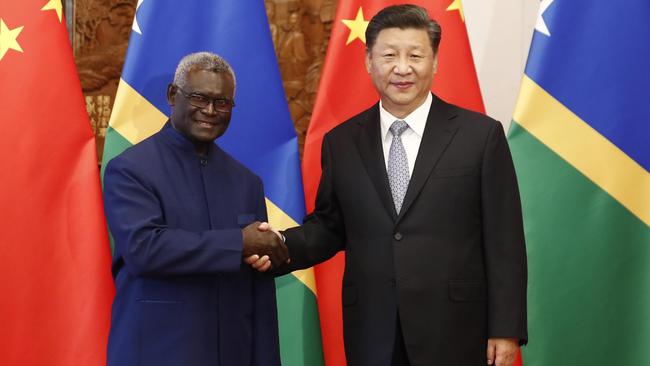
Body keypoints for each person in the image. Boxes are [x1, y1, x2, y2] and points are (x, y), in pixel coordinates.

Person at [253, 4, 528, 366]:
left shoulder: (480, 136)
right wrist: (281, 246)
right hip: (372, 328)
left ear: (435, 62)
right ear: (369, 62)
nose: (402, 67)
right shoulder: (342, 142)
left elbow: (504, 241)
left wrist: (505, 329)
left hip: (456, 329)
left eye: (415, 55)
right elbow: (330, 227)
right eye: (389, 55)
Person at [103, 52, 287, 366]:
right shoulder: (130, 169)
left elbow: (258, 292)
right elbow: (144, 249)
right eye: (200, 98)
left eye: (223, 102)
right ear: (173, 95)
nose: (211, 111)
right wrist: (240, 242)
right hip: (157, 353)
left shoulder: (247, 182)